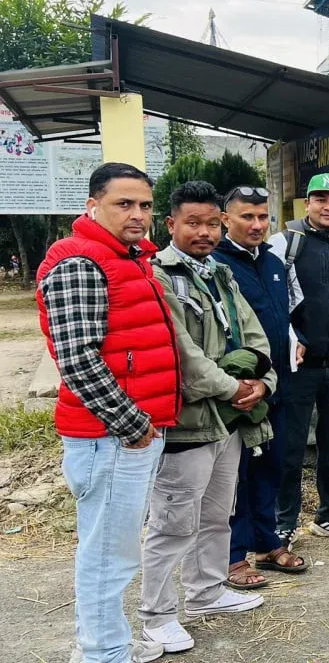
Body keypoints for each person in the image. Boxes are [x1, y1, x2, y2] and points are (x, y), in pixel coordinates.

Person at [37, 162, 178, 663]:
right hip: (111, 436)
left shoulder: (127, 257)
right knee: (107, 555)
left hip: (127, 434)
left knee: (114, 549)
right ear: (93, 206)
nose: (138, 214)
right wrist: (133, 424)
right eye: (124, 204)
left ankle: (105, 642)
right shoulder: (79, 261)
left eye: (145, 205)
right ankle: (103, 653)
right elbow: (78, 357)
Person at [140, 181, 276, 653]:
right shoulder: (158, 275)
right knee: (173, 521)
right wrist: (235, 388)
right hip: (189, 422)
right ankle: (157, 616)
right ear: (170, 224)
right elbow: (183, 355)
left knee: (218, 513)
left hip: (230, 420)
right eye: (192, 223)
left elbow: (255, 336)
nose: (204, 233)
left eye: (212, 224)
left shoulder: (220, 273)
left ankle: (206, 591)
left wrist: (263, 383)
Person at [213, 187, 309, 588]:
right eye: (246, 217)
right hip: (238, 390)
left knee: (272, 466)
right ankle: (233, 557)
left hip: (277, 384)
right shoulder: (215, 263)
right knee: (236, 476)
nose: (257, 225)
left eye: (263, 217)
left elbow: (284, 314)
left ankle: (268, 545)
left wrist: (297, 339)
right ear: (225, 220)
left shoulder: (272, 260)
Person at [267, 173, 329, 545]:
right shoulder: (285, 243)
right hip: (298, 368)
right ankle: (284, 522)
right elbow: (272, 299)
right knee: (290, 448)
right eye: (321, 199)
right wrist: (290, 338)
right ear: (307, 202)